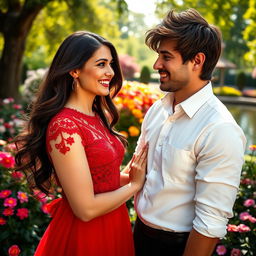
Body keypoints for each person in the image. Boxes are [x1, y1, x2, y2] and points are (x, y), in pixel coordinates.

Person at [14, 31, 147, 256]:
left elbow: (102, 178)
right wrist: (134, 186)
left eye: (111, 64)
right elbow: (85, 208)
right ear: (74, 70)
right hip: (85, 235)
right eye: (101, 64)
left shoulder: (97, 116)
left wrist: (140, 172)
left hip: (114, 224)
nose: (110, 72)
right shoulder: (63, 126)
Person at [133, 8, 246, 256]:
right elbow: (136, 174)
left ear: (197, 61)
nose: (156, 65)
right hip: (137, 236)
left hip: (177, 247)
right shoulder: (157, 110)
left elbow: (209, 223)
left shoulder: (220, 129)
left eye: (166, 56)